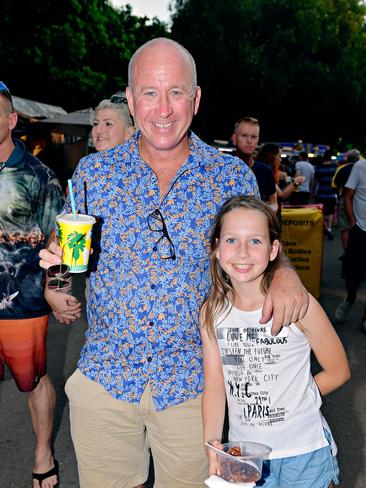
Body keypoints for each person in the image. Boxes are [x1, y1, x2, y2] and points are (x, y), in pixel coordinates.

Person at [39, 38, 309, 488]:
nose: (163, 109)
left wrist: (285, 277)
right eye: (149, 92)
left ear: (196, 98)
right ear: (130, 99)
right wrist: (55, 270)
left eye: (176, 92)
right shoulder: (93, 174)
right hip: (106, 377)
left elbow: (265, 249)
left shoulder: (231, 177)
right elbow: (64, 238)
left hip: (194, 386)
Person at [200, 195, 350, 487]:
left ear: (273, 250)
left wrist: (296, 399)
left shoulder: (299, 305)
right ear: (216, 248)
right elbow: (215, 386)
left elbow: (339, 371)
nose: (242, 252)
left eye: (255, 241)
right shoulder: (211, 311)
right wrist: (211, 443)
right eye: (231, 240)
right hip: (245, 456)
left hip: (305, 452)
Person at [0, 81, 66, 488]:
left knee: (34, 381)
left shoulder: (38, 176)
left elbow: (60, 241)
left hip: (20, 304)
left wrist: (56, 291)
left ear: (10, 121)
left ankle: (43, 452)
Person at [335, 157, 366, 331]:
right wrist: (353, 222)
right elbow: (347, 195)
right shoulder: (360, 167)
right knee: (352, 273)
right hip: (360, 229)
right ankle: (350, 297)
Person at [232, 117, 278, 211]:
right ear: (234, 139)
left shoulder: (265, 171)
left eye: (253, 137)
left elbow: (274, 203)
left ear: (258, 140)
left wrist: (261, 213)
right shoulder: (223, 169)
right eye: (244, 135)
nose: (249, 141)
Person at [332, 149, 360, 253]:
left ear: (347, 158)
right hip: (359, 201)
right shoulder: (361, 169)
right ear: (357, 158)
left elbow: (334, 185)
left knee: (345, 228)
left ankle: (347, 252)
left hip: (344, 200)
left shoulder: (341, 169)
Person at [313, 150, 338, 240]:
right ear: (330, 158)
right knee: (331, 212)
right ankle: (329, 228)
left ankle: (325, 226)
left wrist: (312, 192)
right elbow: (336, 182)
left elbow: (315, 182)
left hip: (321, 194)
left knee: (321, 212)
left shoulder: (319, 168)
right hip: (331, 194)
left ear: (324, 157)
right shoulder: (334, 168)